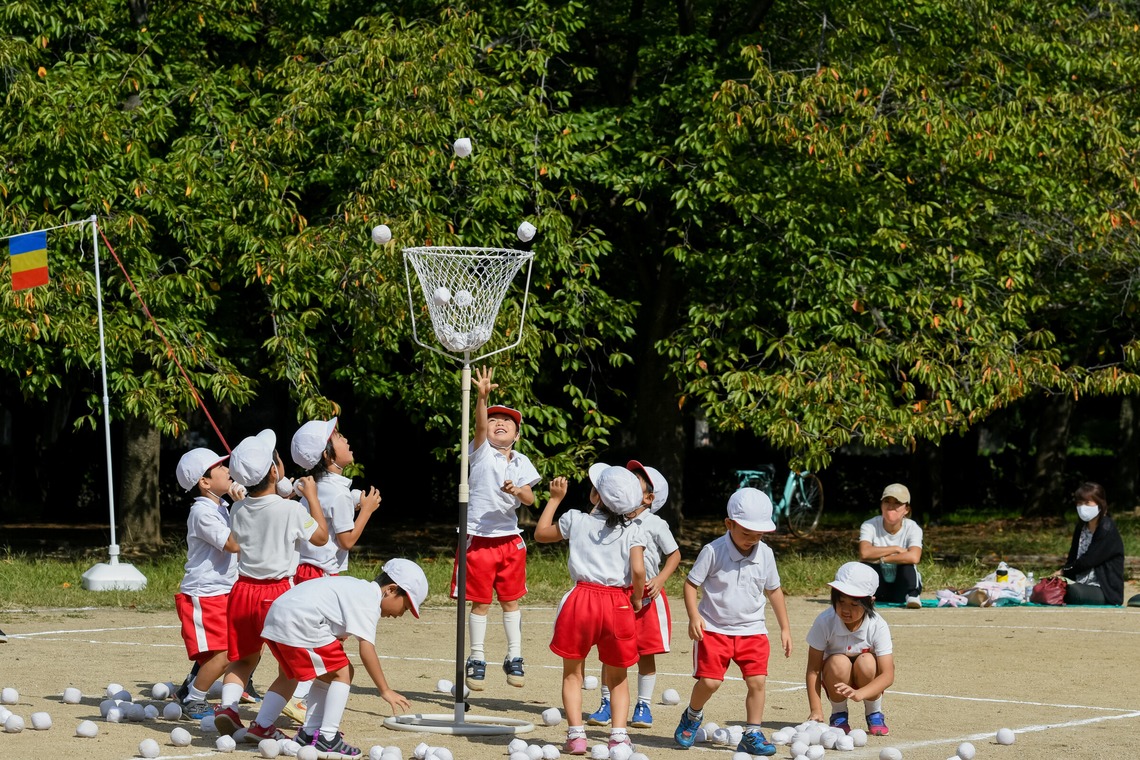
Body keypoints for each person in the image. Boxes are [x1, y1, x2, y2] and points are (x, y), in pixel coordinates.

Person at [212, 429, 330, 742]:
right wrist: (311, 498)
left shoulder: (237, 509)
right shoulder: (291, 509)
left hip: (242, 592)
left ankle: (227, 707)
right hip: (277, 595)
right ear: (275, 472)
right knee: (292, 669)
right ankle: (262, 724)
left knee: (244, 659)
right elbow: (320, 537)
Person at [260, 559, 428, 758]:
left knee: (326, 673)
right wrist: (385, 690)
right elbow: (366, 650)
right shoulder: (368, 600)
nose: (401, 614)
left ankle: (277, 728)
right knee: (344, 672)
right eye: (405, 607)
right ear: (390, 590)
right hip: (299, 619)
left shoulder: (356, 588)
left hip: (277, 615)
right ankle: (328, 738)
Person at [535, 467, 647, 755]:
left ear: (595, 495)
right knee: (618, 676)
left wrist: (555, 499)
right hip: (617, 604)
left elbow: (540, 534)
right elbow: (637, 570)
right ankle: (619, 737)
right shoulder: (634, 530)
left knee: (573, 673)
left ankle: (576, 736)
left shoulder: (576, 519)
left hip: (580, 601)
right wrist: (636, 598)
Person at [673, 488, 792, 758]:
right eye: (746, 533)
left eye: (758, 534)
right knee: (711, 683)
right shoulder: (713, 551)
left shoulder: (766, 554)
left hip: (753, 631)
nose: (752, 540)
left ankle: (752, 733)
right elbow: (691, 585)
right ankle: (692, 715)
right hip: (714, 630)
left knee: (757, 682)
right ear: (729, 524)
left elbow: (773, 590)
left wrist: (785, 627)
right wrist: (694, 616)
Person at [283, 418, 382, 723]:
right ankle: (299, 698)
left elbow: (331, 504)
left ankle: (304, 695)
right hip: (322, 574)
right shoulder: (335, 493)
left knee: (321, 642)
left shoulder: (321, 488)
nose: (345, 439)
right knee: (324, 642)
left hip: (306, 572)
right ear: (327, 455)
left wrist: (354, 504)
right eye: (338, 436)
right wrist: (366, 511)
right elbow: (348, 540)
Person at [452, 366, 540, 691]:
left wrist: (518, 490)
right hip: (479, 539)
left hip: (509, 541)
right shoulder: (480, 453)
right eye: (493, 419)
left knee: (511, 601)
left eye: (508, 422)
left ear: (517, 434)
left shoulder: (520, 461)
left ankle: (514, 655)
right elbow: (477, 424)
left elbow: (530, 499)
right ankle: (476, 658)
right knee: (481, 603)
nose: (499, 423)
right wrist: (481, 397)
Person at [587, 462, 679, 730]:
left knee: (646, 653)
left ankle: (644, 704)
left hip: (647, 598)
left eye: (634, 480)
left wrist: (660, 579)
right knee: (610, 653)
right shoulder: (611, 517)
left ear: (649, 498)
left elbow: (675, 555)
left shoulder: (655, 523)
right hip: (617, 596)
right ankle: (606, 702)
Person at [171, 447, 243, 719]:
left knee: (225, 650)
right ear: (205, 482)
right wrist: (243, 507)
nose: (228, 470)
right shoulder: (203, 512)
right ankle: (194, 699)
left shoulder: (220, 506)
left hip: (223, 591)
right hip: (205, 593)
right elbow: (233, 544)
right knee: (224, 653)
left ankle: (188, 688)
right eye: (221, 467)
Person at [805, 562, 895, 737]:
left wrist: (860, 693)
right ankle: (839, 714)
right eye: (841, 601)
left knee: (867, 661)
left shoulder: (878, 625)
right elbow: (813, 670)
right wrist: (816, 710)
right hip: (835, 675)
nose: (845, 609)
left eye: (854, 604)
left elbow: (888, 674)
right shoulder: (824, 621)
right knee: (838, 662)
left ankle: (874, 712)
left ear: (870, 601)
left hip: (868, 677)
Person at [1052, 482, 1125, 606]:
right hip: (1080, 582)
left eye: (1087, 503)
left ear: (1100, 504)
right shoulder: (1081, 527)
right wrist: (1062, 576)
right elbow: (1072, 557)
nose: (1082, 507)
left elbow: (1089, 560)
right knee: (1051, 586)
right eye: (1079, 503)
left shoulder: (1107, 528)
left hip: (1103, 589)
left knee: (1072, 592)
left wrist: (1064, 571)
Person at [858, 484, 923, 607]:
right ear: (881, 505)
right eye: (887, 501)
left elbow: (914, 557)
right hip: (878, 586)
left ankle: (913, 595)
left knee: (908, 565)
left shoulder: (913, 528)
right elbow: (864, 553)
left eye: (897, 503)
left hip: (901, 587)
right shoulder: (869, 525)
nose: (891, 506)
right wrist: (896, 549)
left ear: (906, 509)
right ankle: (865, 596)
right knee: (865, 565)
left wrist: (882, 559)